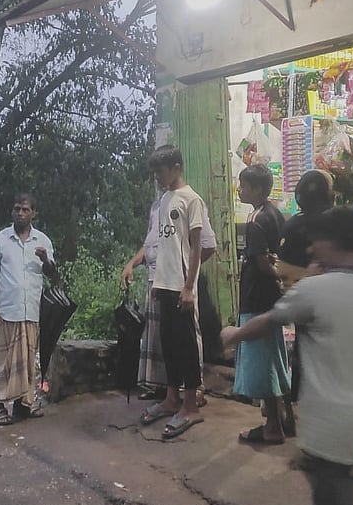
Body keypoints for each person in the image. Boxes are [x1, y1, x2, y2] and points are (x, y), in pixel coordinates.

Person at [222, 207, 353, 505]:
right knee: (330, 496)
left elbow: (271, 320)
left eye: (317, 239)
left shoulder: (316, 290)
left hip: (326, 418)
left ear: (333, 242)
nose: (312, 245)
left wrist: (233, 335)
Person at [121, 189, 217, 403]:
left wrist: (188, 272)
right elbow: (151, 245)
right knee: (160, 336)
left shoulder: (191, 201)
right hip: (157, 279)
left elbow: (207, 246)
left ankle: (194, 388)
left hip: (180, 282)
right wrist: (132, 264)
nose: (158, 180)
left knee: (188, 336)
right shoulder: (157, 206)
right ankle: (163, 387)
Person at [138, 145, 207, 440]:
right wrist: (156, 284)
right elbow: (161, 247)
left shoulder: (192, 200)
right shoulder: (164, 200)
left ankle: (190, 406)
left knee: (186, 348)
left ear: (176, 167)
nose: (157, 177)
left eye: (161, 171)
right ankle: (170, 399)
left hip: (182, 287)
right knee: (168, 345)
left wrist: (189, 287)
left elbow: (197, 248)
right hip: (163, 286)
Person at [231, 163, 293, 444]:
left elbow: (262, 263)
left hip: (257, 296)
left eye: (243, 185)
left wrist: (275, 273)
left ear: (256, 189)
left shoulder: (256, 220)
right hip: (273, 297)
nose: (239, 189)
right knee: (274, 357)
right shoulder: (277, 214)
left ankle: (272, 426)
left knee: (262, 361)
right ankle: (283, 418)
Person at [0, 193, 57, 426]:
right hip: (7, 311)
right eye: (17, 209)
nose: (21, 213)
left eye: (25, 210)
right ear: (12, 212)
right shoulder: (0, 240)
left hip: (31, 311)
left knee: (26, 361)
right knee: (4, 361)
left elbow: (53, 275)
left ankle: (22, 406)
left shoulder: (42, 241)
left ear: (34, 213)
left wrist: (46, 259)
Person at [276, 170, 335, 402]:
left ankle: (299, 397)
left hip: (302, 301)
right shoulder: (337, 224)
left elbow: (283, 266)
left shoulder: (292, 225)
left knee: (304, 345)